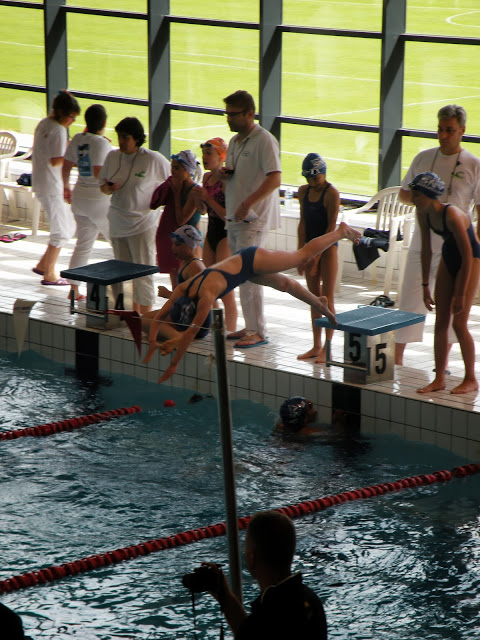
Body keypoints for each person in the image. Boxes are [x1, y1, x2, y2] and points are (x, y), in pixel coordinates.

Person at [143, 222, 361, 382]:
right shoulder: (182, 289)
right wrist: (153, 344)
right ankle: (319, 303)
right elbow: (160, 316)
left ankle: (340, 231)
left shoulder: (205, 296)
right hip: (243, 269)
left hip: (250, 259)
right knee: (285, 284)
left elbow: (190, 333)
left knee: (301, 256)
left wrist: (173, 366)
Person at [395, 104, 480, 366]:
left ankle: (443, 366)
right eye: (440, 129)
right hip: (424, 240)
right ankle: (396, 358)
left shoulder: (474, 164)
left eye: (449, 130)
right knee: (409, 298)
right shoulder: (423, 158)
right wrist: (426, 199)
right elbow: (403, 194)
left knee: (453, 310)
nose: (443, 135)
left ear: (462, 130)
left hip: (456, 244)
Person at [202, 510, 327, 640]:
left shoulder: (270, 612)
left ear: (251, 558)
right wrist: (225, 596)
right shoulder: (310, 599)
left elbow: (257, 630)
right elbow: (250, 632)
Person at [220, 90, 281, 348]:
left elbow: (275, 178)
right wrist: (222, 175)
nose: (228, 119)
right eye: (226, 114)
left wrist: (248, 203)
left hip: (253, 220)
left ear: (249, 114)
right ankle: (250, 325)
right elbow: (237, 175)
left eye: (233, 114)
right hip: (235, 218)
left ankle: (258, 331)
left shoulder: (264, 140)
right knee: (240, 275)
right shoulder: (235, 141)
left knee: (250, 275)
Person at [410, 172, 480, 395]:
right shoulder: (422, 213)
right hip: (449, 257)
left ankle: (471, 379)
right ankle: (439, 378)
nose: (413, 199)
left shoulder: (452, 215)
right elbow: (426, 249)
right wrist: (425, 285)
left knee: (459, 323)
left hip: (471, 259)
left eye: (417, 195)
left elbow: (467, 255)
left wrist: (460, 294)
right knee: (440, 321)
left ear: (430, 195)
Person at [99, 117, 170, 314]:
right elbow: (102, 187)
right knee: (124, 274)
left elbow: (174, 179)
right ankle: (131, 315)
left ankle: (145, 318)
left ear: (137, 138)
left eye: (126, 137)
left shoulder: (152, 159)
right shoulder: (112, 157)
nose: (121, 141)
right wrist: (108, 188)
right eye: (119, 137)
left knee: (143, 274)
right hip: (117, 223)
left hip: (142, 225)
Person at [62, 103, 113, 300]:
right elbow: (99, 172)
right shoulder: (102, 143)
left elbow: (66, 166)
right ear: (104, 123)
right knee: (118, 242)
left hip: (79, 199)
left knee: (83, 244)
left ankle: (73, 290)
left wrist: (66, 187)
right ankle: (124, 288)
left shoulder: (78, 138)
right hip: (98, 201)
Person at [31, 90, 80, 285]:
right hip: (52, 186)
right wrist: (73, 154)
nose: (72, 121)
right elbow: (56, 160)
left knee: (66, 226)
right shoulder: (58, 130)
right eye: (71, 117)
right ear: (61, 112)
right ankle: (49, 273)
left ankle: (43, 264)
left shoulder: (44, 123)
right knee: (62, 231)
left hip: (41, 183)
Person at [296, 153, 340, 363]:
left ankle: (328, 348)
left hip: (328, 248)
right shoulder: (303, 192)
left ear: (323, 173)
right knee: (313, 299)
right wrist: (301, 254)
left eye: (316, 177)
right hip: (310, 248)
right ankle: (316, 346)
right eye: (309, 178)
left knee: (327, 298)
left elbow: (331, 228)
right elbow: (303, 223)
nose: (313, 182)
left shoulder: (332, 194)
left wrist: (317, 256)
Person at [193, 137, 238, 332]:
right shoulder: (206, 178)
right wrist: (198, 199)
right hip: (211, 233)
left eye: (209, 153)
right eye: (203, 153)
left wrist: (208, 198)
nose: (204, 157)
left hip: (225, 236)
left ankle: (230, 332)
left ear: (221, 157)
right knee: (209, 287)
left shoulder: (226, 181)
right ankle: (216, 330)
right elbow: (204, 211)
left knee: (225, 290)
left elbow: (229, 216)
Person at [141, 225, 211, 344]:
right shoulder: (186, 263)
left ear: (191, 246)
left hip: (195, 321)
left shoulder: (195, 267)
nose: (173, 248)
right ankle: (178, 336)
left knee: (145, 322)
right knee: (144, 319)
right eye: (173, 244)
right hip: (186, 314)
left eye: (178, 245)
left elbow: (201, 298)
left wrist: (169, 294)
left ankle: (180, 338)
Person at [151, 150, 202, 288]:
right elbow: (154, 203)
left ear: (187, 170)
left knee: (191, 286)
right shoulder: (174, 185)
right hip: (178, 241)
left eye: (177, 168)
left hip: (190, 243)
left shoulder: (194, 191)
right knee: (176, 284)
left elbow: (181, 220)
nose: (172, 171)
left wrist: (177, 194)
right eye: (172, 167)